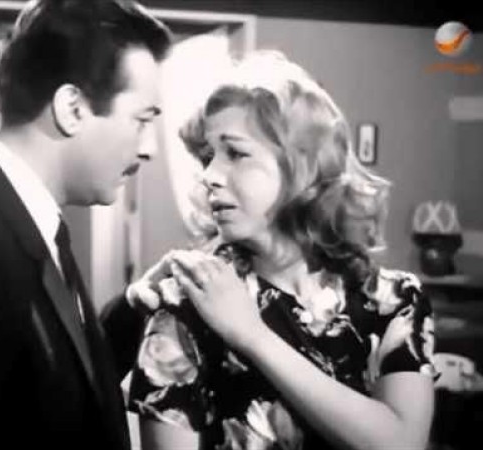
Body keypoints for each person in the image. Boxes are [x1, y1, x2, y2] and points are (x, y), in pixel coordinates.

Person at [127, 51, 436, 450]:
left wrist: (253, 336)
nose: (209, 176)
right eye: (207, 157)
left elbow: (403, 444)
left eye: (235, 153)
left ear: (301, 167)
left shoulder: (393, 301)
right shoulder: (188, 299)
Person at [0, 1, 170, 448]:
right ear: (72, 108)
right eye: (141, 120)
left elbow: (41, 391)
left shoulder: (20, 215)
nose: (149, 148)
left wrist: (131, 311)